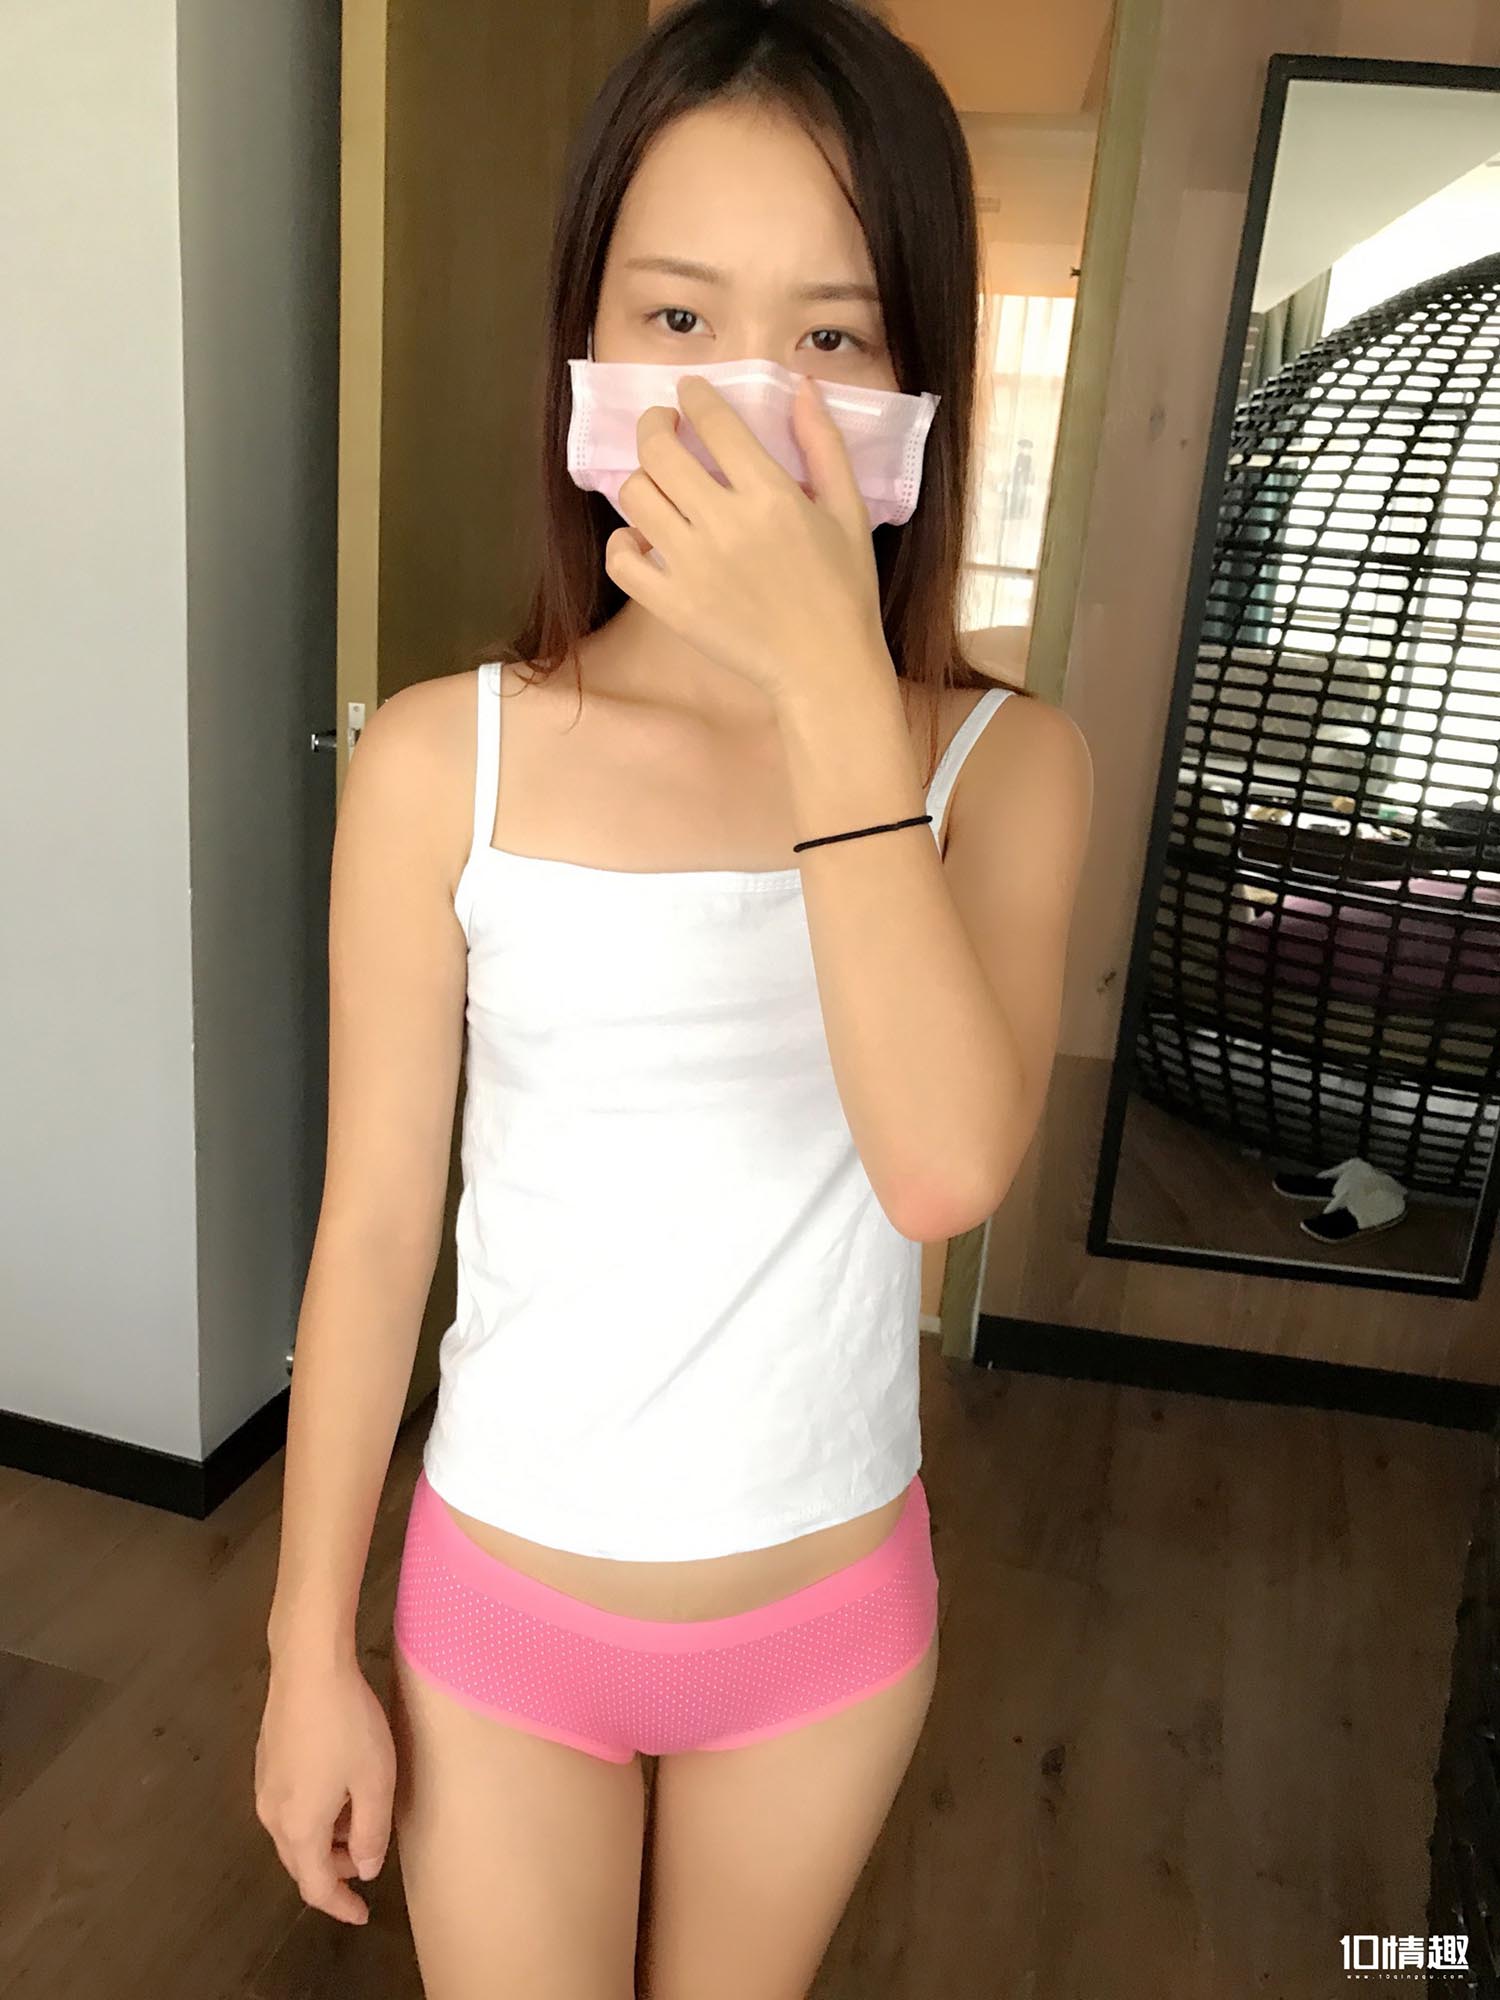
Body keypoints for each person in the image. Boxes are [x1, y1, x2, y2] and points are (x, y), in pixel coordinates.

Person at [255, 1, 1093, 1993]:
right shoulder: (438, 760)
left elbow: (941, 1170)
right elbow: (374, 1231)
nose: (747, 401)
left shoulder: (1007, 773)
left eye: (833, 337)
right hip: (504, 1612)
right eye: (679, 316)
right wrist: (302, 1647)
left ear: (920, 383)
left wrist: (824, 687)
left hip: (824, 1627)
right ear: (588, 341)